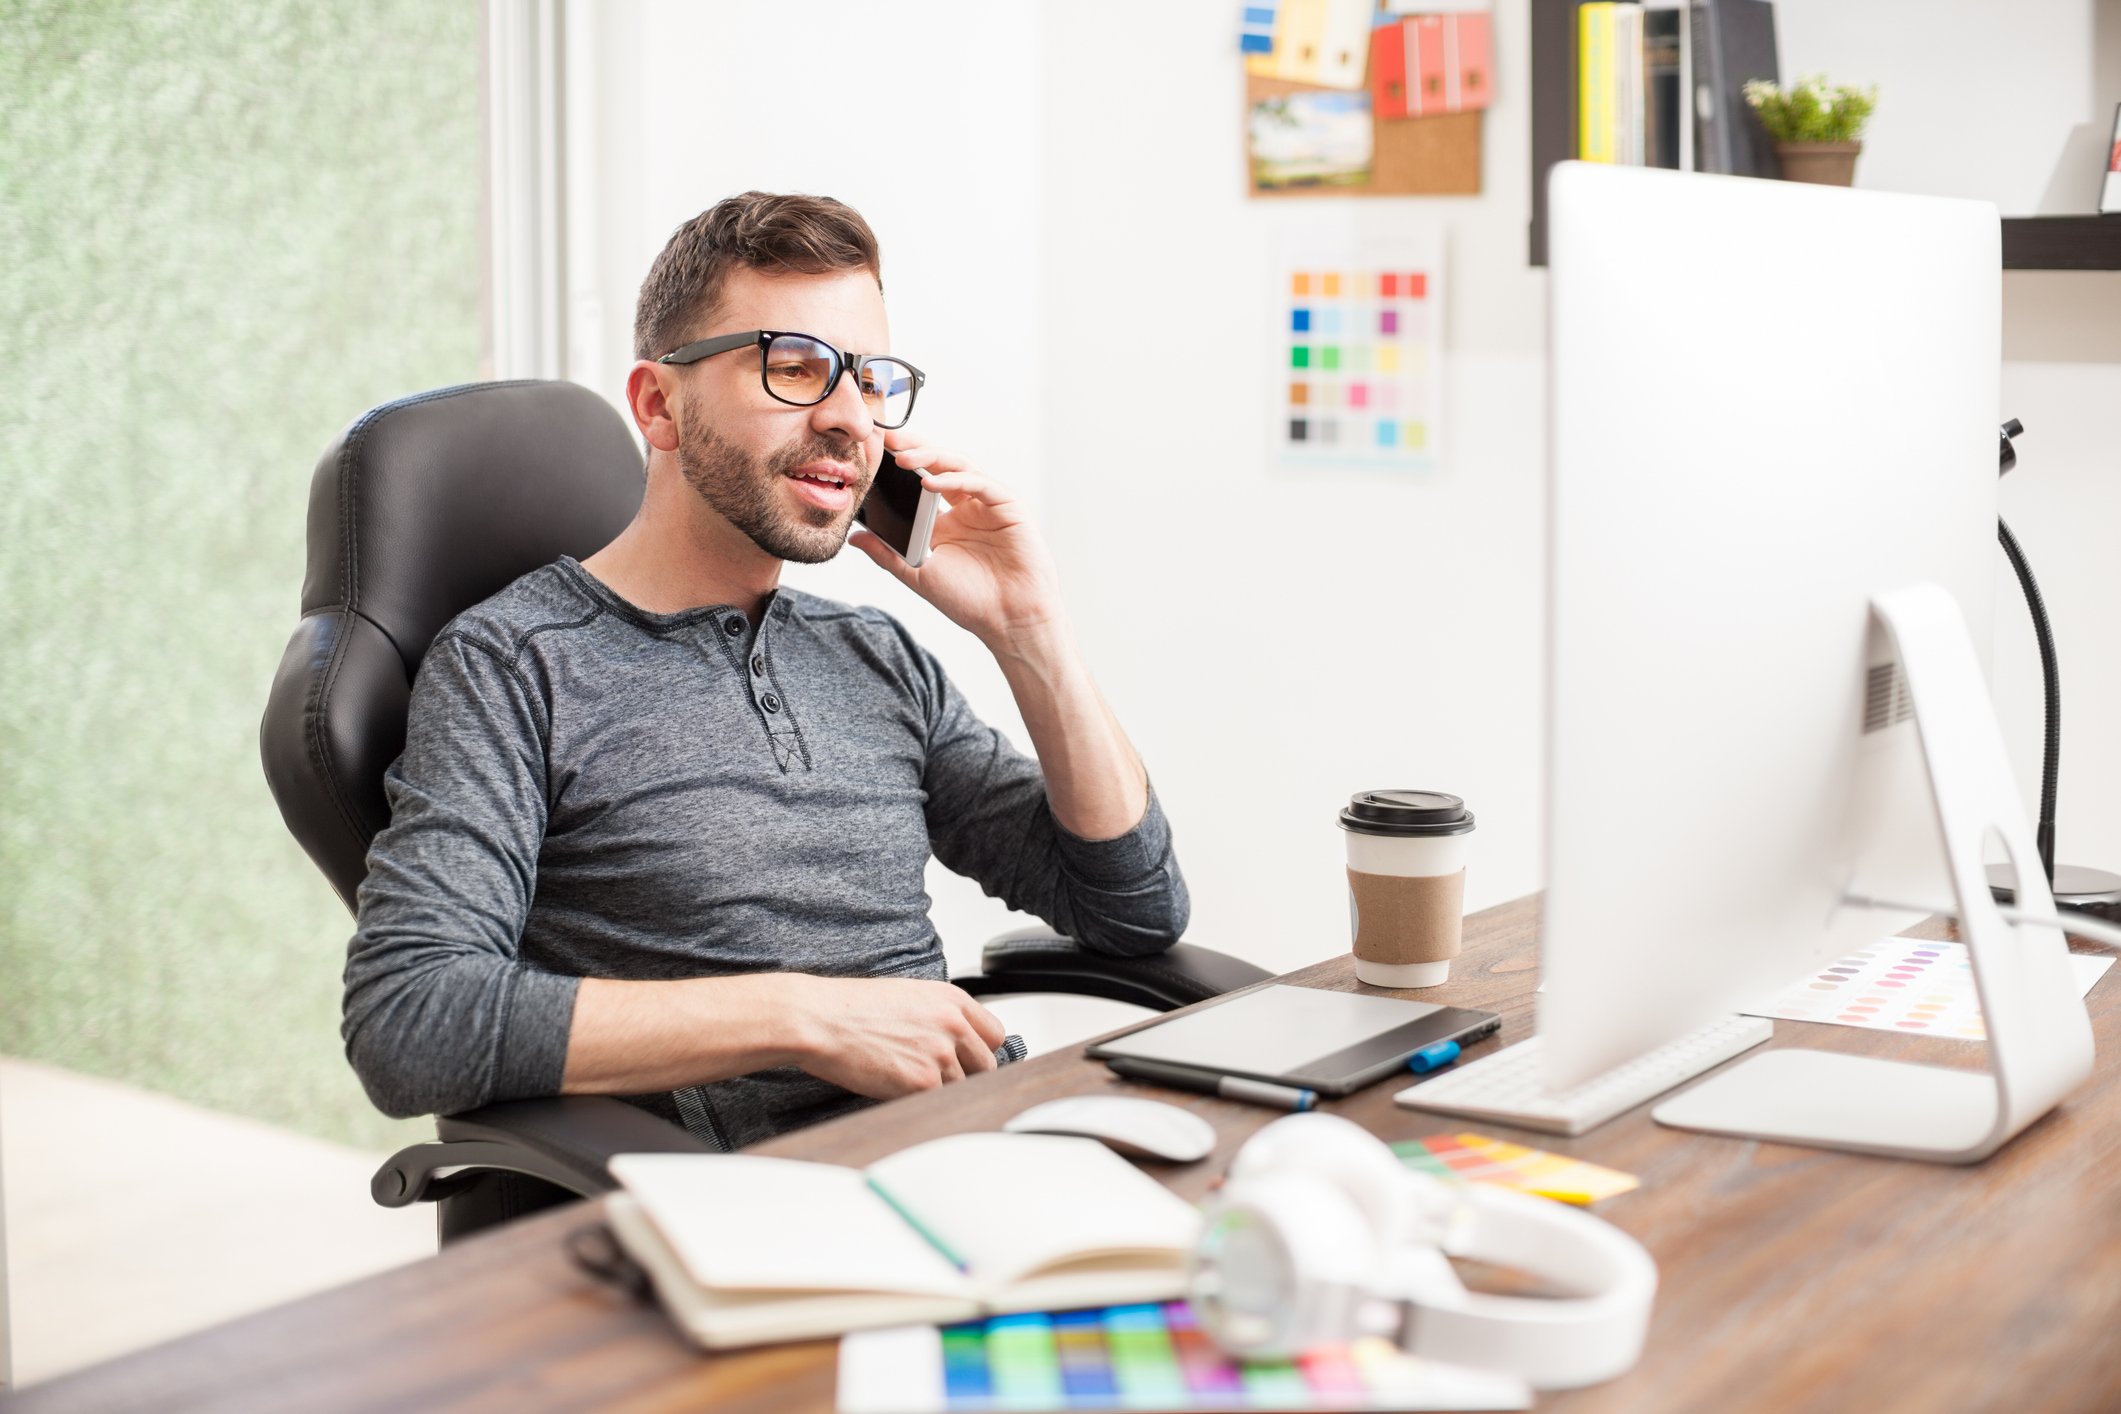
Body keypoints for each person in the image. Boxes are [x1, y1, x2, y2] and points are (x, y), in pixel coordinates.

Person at [341, 192, 1188, 1153]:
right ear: (660, 405)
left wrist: (1029, 632)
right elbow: (410, 1020)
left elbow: (1134, 910)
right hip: (780, 1212)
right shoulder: (515, 664)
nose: (847, 420)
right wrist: (804, 1017)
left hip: (983, 1147)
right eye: (795, 368)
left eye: (868, 380)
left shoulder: (874, 656)